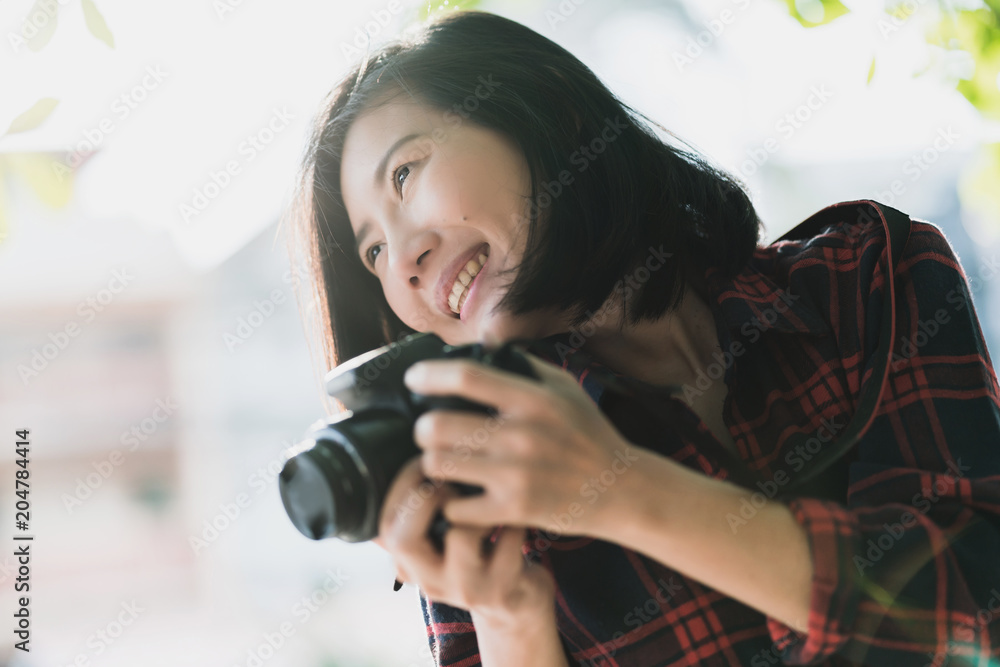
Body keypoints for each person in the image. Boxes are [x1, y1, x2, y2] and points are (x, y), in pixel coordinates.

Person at [283, 9, 1000, 666]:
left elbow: (977, 615)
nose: (401, 262)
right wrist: (510, 616)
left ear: (548, 112)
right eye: (372, 251)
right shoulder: (478, 483)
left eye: (405, 174)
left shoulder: (864, 277)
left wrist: (623, 490)